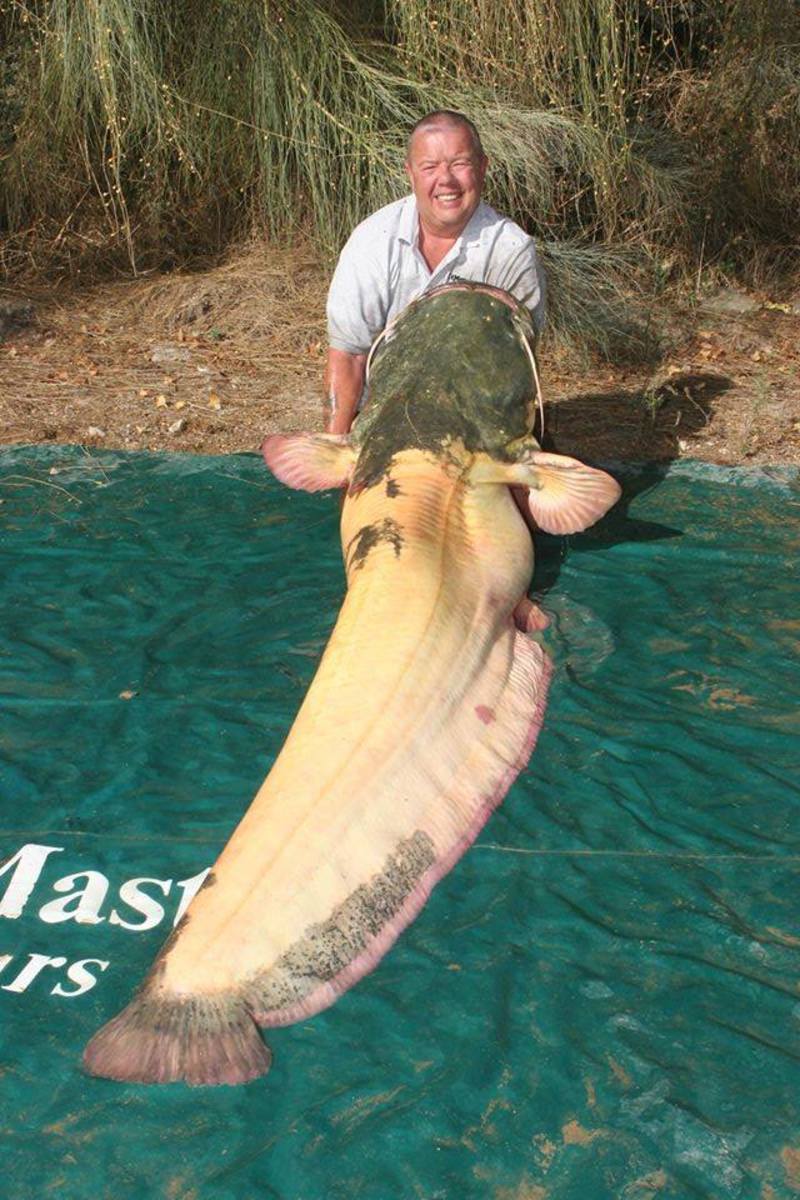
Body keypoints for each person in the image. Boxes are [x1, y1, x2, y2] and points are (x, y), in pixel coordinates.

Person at [324, 110, 546, 435]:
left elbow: (515, 369)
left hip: (477, 422)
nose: (446, 180)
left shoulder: (511, 250)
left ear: (483, 167)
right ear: (410, 173)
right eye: (429, 167)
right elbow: (349, 356)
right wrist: (335, 447)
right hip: (382, 418)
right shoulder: (372, 241)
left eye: (460, 163)